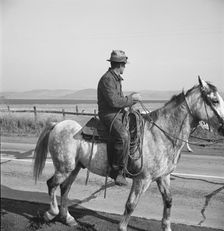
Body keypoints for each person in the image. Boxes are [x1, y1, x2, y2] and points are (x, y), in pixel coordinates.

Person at [97, 50, 142, 186]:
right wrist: (131, 99)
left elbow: (119, 99)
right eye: (124, 65)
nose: (125, 67)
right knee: (123, 136)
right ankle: (116, 171)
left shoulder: (115, 78)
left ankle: (129, 162)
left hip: (117, 112)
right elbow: (114, 101)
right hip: (108, 114)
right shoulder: (107, 79)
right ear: (120, 64)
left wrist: (130, 104)